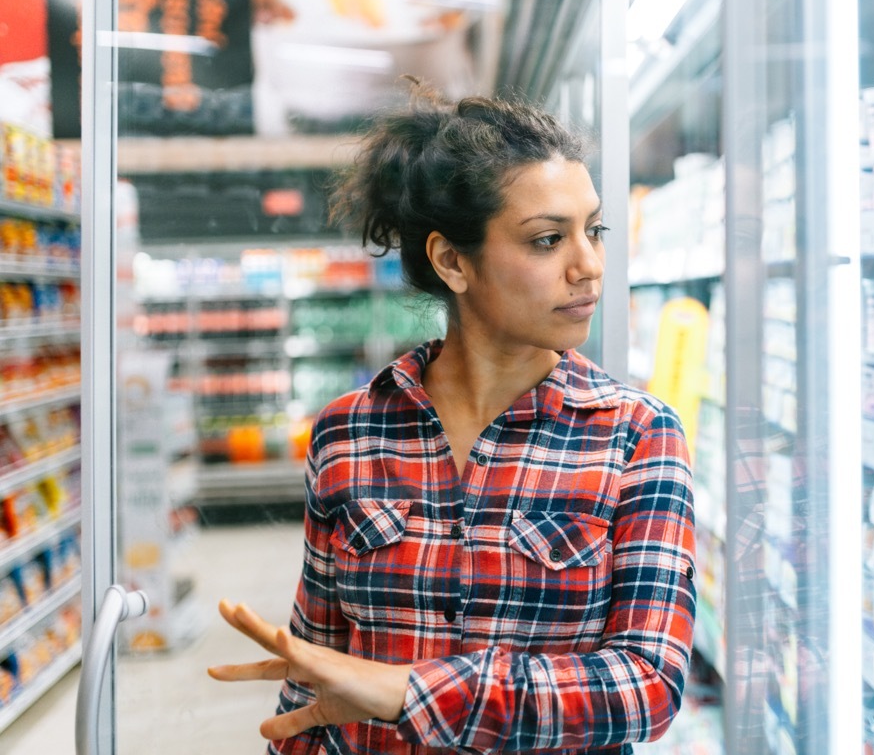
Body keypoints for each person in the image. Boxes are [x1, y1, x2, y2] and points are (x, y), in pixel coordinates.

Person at [209, 82, 697, 755]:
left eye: (594, 230)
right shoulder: (349, 434)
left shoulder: (636, 436)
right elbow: (316, 671)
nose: (589, 266)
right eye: (549, 239)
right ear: (451, 261)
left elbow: (647, 685)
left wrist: (410, 691)